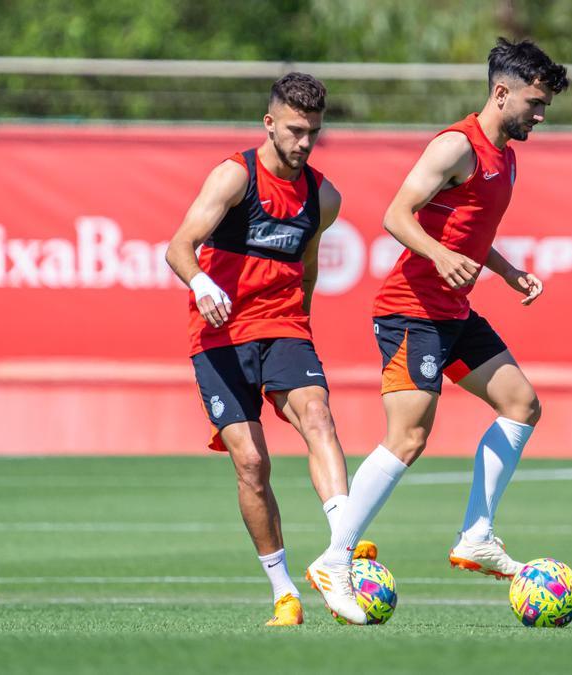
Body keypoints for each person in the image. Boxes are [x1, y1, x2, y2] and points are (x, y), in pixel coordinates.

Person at [303, 38, 569, 625]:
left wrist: (507, 271)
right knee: (409, 437)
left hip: (452, 311)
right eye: (534, 101)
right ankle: (335, 557)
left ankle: (476, 534)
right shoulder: (456, 146)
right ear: (501, 93)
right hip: (410, 311)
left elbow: (468, 231)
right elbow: (395, 214)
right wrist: (440, 257)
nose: (540, 114)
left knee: (521, 404)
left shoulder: (508, 154)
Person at [165, 73, 370, 627]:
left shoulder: (323, 196)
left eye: (315, 133)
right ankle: (284, 593)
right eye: (297, 131)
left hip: (282, 325)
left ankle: (340, 555)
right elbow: (179, 245)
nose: (305, 143)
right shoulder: (236, 176)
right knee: (252, 462)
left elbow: (307, 265)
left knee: (318, 415)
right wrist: (203, 284)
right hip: (220, 333)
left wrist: (301, 320)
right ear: (270, 123)